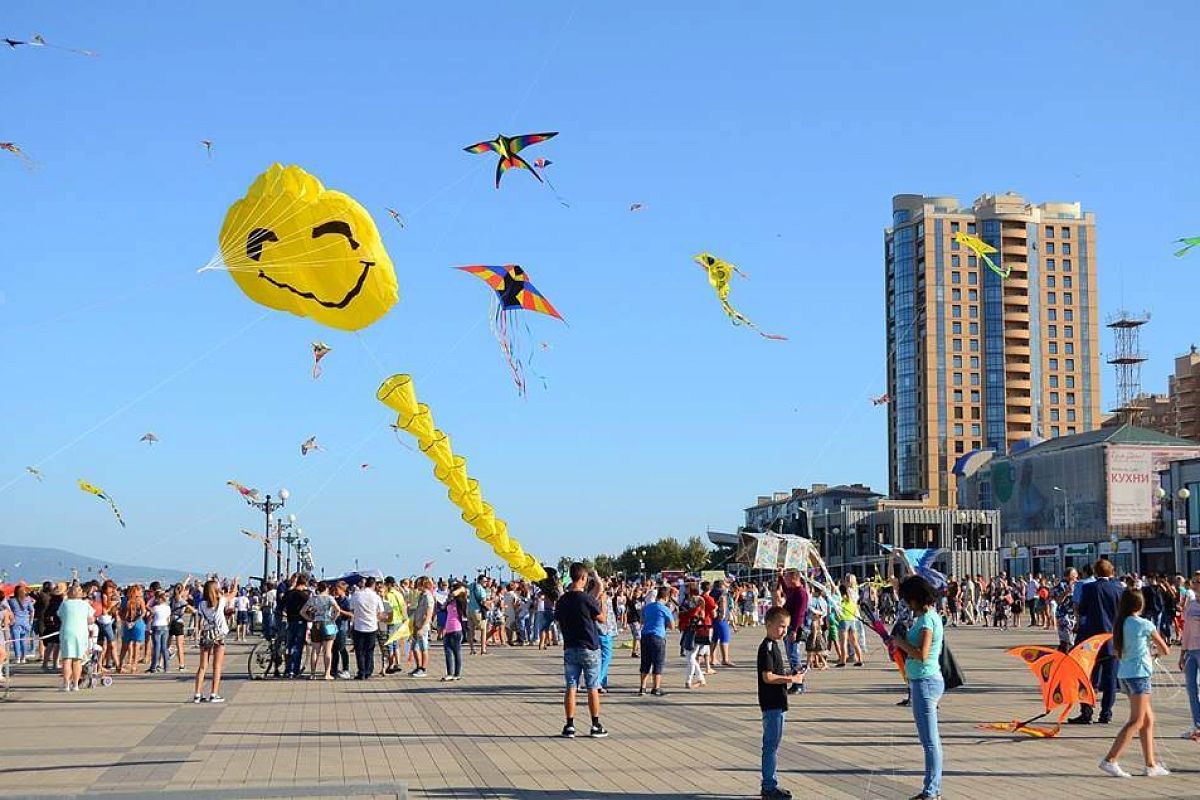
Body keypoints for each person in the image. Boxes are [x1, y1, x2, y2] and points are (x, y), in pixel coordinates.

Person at [1099, 588, 1172, 777]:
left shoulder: (1120, 623)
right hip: (1139, 674)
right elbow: (1165, 649)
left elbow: (1116, 651)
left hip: (1124, 674)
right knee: (1136, 720)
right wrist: (1152, 653)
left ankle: (1151, 764)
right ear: (1140, 605)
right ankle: (1110, 759)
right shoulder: (1144, 624)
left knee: (1148, 720)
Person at [891, 575, 945, 800]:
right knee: (930, 740)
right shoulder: (930, 616)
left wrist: (899, 642)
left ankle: (931, 791)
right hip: (925, 680)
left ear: (916, 598)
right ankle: (932, 789)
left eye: (908, 599)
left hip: (925, 682)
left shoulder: (926, 621)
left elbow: (922, 654)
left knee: (930, 741)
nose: (907, 604)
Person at [553, 561, 607, 738]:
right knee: (592, 687)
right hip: (589, 647)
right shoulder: (587, 599)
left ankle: (569, 725)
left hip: (570, 647)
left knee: (571, 686)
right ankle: (595, 724)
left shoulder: (563, 600)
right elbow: (602, 619)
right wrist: (603, 602)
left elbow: (559, 622)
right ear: (583, 578)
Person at [757, 605, 805, 800]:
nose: (784, 630)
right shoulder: (767, 647)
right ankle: (769, 786)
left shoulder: (774, 645)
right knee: (770, 746)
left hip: (778, 702)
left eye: (786, 627)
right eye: (781, 626)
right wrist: (791, 680)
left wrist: (789, 675)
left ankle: (770, 783)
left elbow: (774, 673)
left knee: (773, 745)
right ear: (769, 625)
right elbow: (767, 677)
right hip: (772, 703)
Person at [1071, 558, 1124, 724]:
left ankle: (1086, 712)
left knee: (1086, 677)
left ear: (1095, 572)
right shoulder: (1118, 588)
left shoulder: (1089, 588)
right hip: (1112, 639)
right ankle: (1106, 713)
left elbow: (1083, 609)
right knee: (1110, 678)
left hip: (1091, 640)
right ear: (1111, 572)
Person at [193, 578, 236, 703]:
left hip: (206, 634)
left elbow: (200, 621)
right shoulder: (221, 601)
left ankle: (197, 694)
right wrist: (235, 584)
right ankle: (214, 693)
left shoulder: (201, 604)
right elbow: (233, 594)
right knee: (217, 666)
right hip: (219, 635)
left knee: (202, 666)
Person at [774, 569, 809, 693]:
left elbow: (800, 614)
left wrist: (794, 630)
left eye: (788, 578)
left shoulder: (801, 593)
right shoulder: (793, 591)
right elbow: (785, 589)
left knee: (794, 656)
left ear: (795, 579)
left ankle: (799, 684)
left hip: (794, 627)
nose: (787, 581)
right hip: (788, 626)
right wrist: (780, 577)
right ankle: (796, 681)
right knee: (790, 655)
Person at [56, 583, 94, 692]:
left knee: (66, 659)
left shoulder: (65, 604)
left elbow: (60, 615)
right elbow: (91, 619)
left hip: (67, 632)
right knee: (77, 659)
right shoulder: (85, 604)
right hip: (80, 633)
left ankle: (66, 684)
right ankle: (76, 684)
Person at [637, 586, 673, 697]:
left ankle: (642, 687)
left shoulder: (647, 607)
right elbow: (672, 626)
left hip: (645, 635)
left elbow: (642, 621)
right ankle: (656, 687)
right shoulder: (665, 609)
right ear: (667, 597)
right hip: (657, 636)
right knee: (658, 662)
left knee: (645, 662)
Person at [1178, 571, 1200, 741]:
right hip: (1191, 651)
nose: (1196, 584)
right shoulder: (1191, 604)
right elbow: (1186, 631)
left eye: (1199, 581)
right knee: (1192, 689)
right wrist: (1182, 654)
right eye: (1195, 581)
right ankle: (1197, 725)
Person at [350, 577, 385, 680]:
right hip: (372, 626)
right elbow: (381, 612)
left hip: (359, 625)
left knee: (359, 650)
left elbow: (351, 608)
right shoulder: (376, 597)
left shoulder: (356, 595)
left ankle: (361, 672)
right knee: (369, 650)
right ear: (373, 585)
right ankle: (368, 671)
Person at [301, 581, 337, 680]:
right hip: (328, 623)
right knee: (328, 650)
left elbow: (302, 611)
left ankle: (313, 674)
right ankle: (327, 674)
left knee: (315, 650)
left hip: (316, 623)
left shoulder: (313, 599)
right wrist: (333, 618)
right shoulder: (330, 598)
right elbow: (337, 609)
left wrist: (310, 619)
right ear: (326, 588)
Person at [281, 575, 311, 679]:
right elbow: (310, 608)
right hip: (301, 622)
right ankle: (295, 671)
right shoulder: (304, 595)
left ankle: (288, 669)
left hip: (290, 621)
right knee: (298, 647)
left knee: (289, 646)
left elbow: (281, 604)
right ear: (304, 583)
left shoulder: (288, 593)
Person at [441, 581, 468, 681]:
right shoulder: (451, 600)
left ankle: (457, 674)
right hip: (448, 628)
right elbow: (443, 607)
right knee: (447, 652)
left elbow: (462, 591)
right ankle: (449, 673)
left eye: (454, 588)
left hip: (456, 629)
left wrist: (460, 589)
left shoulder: (461, 601)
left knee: (456, 652)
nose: (451, 590)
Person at [410, 577, 435, 677]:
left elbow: (429, 613)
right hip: (417, 623)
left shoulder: (428, 596)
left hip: (423, 626)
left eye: (418, 584)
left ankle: (423, 669)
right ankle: (418, 666)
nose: (417, 586)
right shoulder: (422, 595)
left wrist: (423, 627)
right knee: (414, 647)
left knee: (423, 647)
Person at [6, 585, 34, 665]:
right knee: (24, 641)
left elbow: (8, 610)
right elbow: (32, 610)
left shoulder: (11, 601)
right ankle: (23, 658)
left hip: (15, 622)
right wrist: (30, 621)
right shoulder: (28, 600)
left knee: (16, 641)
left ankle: (17, 657)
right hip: (25, 622)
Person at [148, 589, 172, 673]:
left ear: (159, 598)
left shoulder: (155, 608)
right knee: (164, 647)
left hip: (156, 626)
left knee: (157, 647)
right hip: (165, 626)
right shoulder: (168, 607)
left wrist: (149, 628)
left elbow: (150, 617)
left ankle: (154, 666)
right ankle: (166, 667)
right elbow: (168, 618)